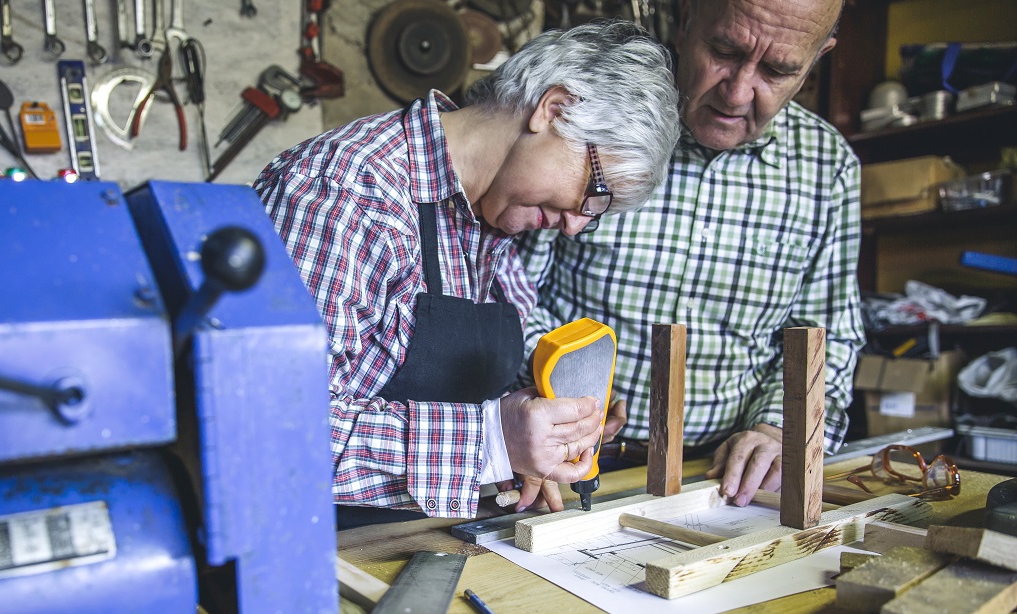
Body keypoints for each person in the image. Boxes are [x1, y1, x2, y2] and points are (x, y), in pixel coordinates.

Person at [255, 20, 680, 525]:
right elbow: (269, 432)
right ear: (555, 109)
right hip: (302, 547)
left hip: (424, 536)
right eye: (592, 197)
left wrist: (549, 419)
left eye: (593, 218)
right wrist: (492, 443)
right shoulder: (344, 193)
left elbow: (487, 378)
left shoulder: (496, 219)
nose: (574, 226)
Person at [520, 0, 864, 507]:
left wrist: (778, 431)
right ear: (686, 21)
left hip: (720, 472)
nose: (738, 91)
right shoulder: (598, 122)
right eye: (724, 51)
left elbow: (826, 335)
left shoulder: (827, 168)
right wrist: (544, 402)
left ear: (817, 58)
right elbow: (504, 290)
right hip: (560, 457)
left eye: (777, 69)